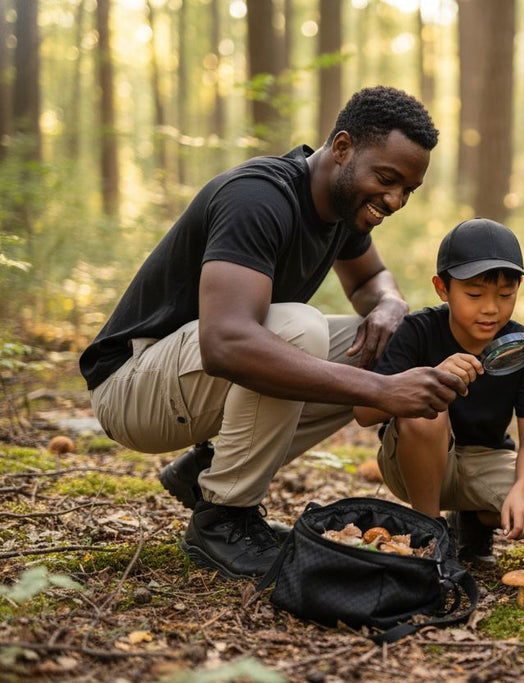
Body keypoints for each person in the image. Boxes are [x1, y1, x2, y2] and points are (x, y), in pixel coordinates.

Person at [78, 86, 467, 580]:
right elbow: (226, 344)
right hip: (131, 387)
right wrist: (381, 390)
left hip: (186, 383)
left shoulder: (343, 208)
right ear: (342, 147)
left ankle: (207, 470)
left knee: (379, 343)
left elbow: (370, 280)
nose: (394, 200)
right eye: (387, 179)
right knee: (298, 329)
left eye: (408, 190)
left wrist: (390, 304)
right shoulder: (259, 197)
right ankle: (223, 520)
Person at [353, 218, 524, 566]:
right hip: (414, 462)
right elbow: (364, 414)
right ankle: (429, 534)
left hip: (486, 458)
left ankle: (474, 521)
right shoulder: (418, 330)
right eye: (474, 294)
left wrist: (522, 491)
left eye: (506, 295)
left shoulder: (522, 346)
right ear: (443, 288)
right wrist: (431, 379)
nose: (491, 308)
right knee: (428, 409)